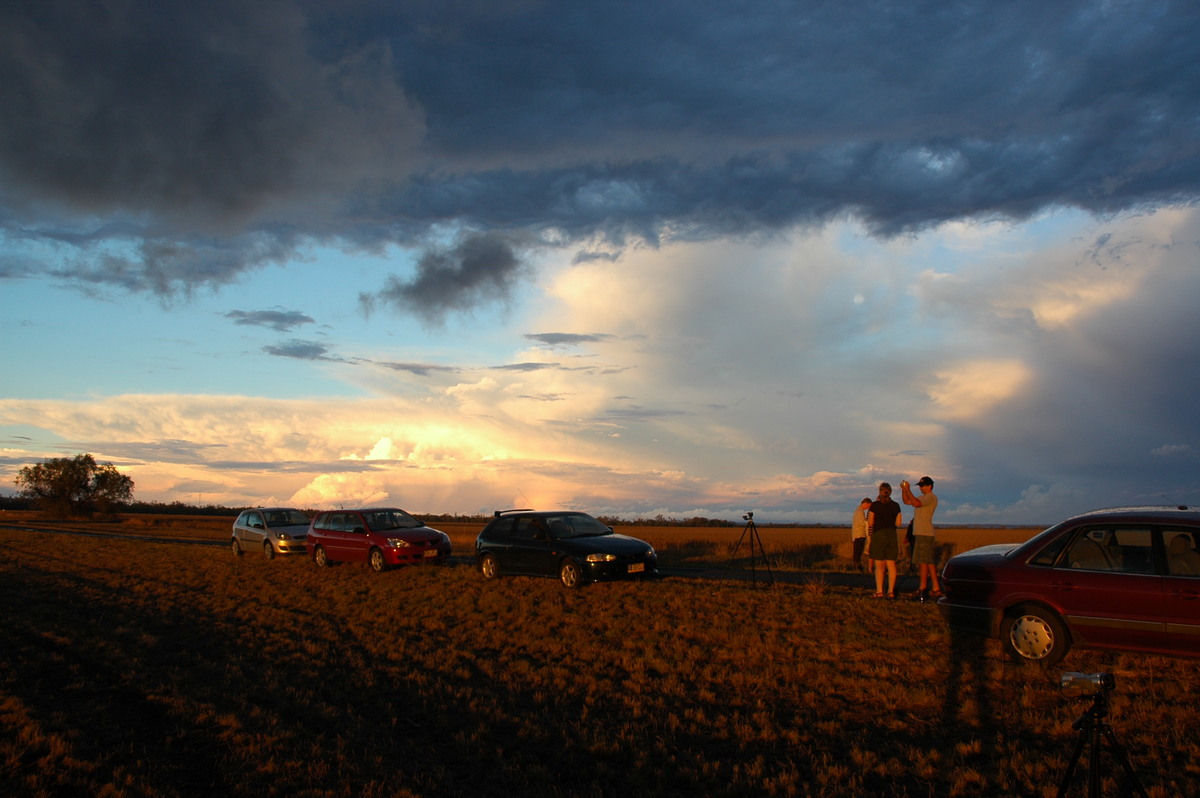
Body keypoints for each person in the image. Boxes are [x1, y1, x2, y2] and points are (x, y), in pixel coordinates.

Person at [901, 476, 940, 600]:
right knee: (929, 561)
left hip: (925, 533)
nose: (921, 488)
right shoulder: (923, 497)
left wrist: (908, 489)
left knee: (923, 561)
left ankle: (922, 588)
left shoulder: (930, 497)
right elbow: (907, 501)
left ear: (930, 486)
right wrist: (904, 490)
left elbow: (916, 503)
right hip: (922, 533)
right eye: (919, 486)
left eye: (923, 486)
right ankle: (936, 588)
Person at [868, 482, 902, 598]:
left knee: (879, 565)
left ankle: (879, 591)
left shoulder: (875, 505)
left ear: (880, 492)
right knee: (891, 564)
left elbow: (871, 522)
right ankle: (891, 591)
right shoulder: (896, 505)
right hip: (892, 534)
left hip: (879, 534)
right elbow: (898, 523)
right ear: (890, 492)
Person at [850, 497, 871, 572]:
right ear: (865, 503)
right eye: (868, 506)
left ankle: (857, 566)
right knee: (858, 552)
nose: (868, 508)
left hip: (858, 535)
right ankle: (857, 566)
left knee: (857, 552)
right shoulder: (859, 511)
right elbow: (861, 523)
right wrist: (868, 521)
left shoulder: (859, 511)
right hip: (859, 535)